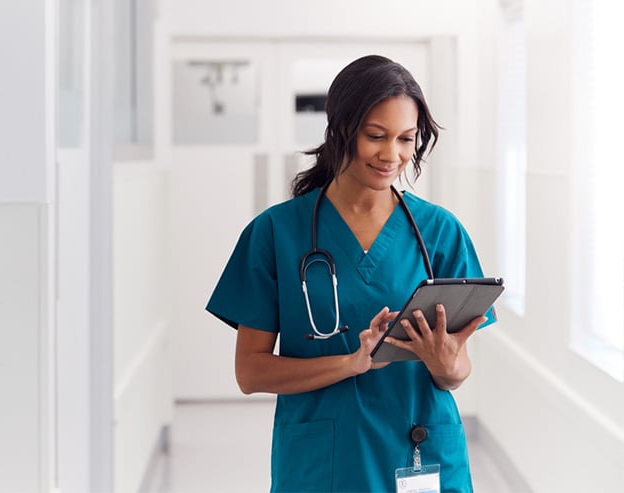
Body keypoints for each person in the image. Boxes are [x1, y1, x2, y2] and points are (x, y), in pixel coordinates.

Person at [206, 54, 496, 493]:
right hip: (324, 460)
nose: (392, 155)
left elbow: (456, 369)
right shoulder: (276, 233)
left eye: (406, 139)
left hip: (418, 450)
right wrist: (351, 363)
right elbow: (251, 372)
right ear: (341, 129)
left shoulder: (440, 233)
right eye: (375, 136)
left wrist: (447, 365)